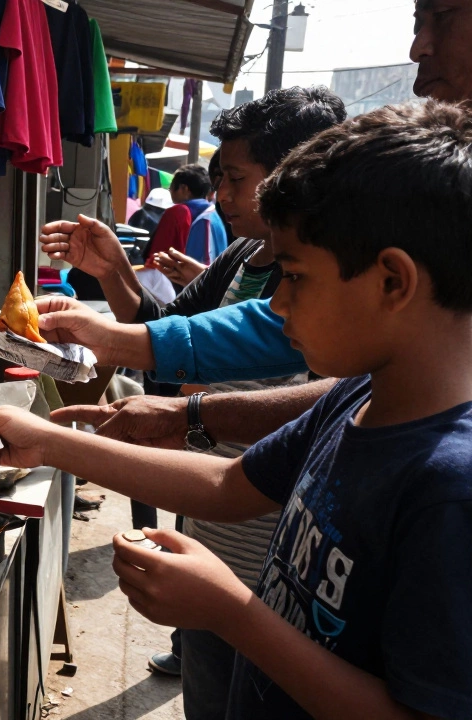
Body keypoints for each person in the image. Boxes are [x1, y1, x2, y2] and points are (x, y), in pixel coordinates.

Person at [0, 99, 472, 719]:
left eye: (295, 276)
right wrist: (45, 442)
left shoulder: (450, 488)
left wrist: (232, 612)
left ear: (392, 281)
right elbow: (231, 484)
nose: (277, 305)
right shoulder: (354, 397)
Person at [35, 0, 472, 453]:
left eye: (236, 179)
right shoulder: (244, 253)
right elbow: (173, 327)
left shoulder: (345, 270)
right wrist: (114, 274)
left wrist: (173, 404)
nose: (418, 47)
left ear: (294, 169)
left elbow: (299, 382)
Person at [142, 165, 213, 268]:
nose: (170, 190)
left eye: (171, 186)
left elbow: (158, 255)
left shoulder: (178, 211)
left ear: (184, 188)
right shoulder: (211, 214)